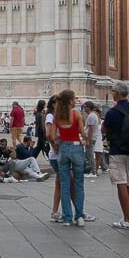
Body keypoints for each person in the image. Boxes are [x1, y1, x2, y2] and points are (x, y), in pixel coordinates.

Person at [103, 82, 129, 229]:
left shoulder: (113, 112)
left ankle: (126, 219)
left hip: (117, 150)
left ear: (117, 93)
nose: (112, 93)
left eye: (113, 91)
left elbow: (105, 129)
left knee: (121, 183)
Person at [48, 90, 92, 226]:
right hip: (76, 148)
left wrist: (60, 139)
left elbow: (51, 136)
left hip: (63, 150)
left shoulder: (57, 116)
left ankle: (67, 217)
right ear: (70, 101)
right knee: (79, 183)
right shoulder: (76, 114)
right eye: (74, 98)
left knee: (65, 184)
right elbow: (83, 134)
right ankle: (79, 216)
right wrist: (86, 139)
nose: (75, 100)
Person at [83, 101, 103, 178]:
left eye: (85, 107)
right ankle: (91, 171)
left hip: (91, 138)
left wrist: (88, 139)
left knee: (90, 155)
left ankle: (93, 172)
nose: (84, 108)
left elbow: (91, 129)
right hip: (92, 137)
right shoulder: (93, 115)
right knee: (89, 155)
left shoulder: (91, 116)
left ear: (88, 107)